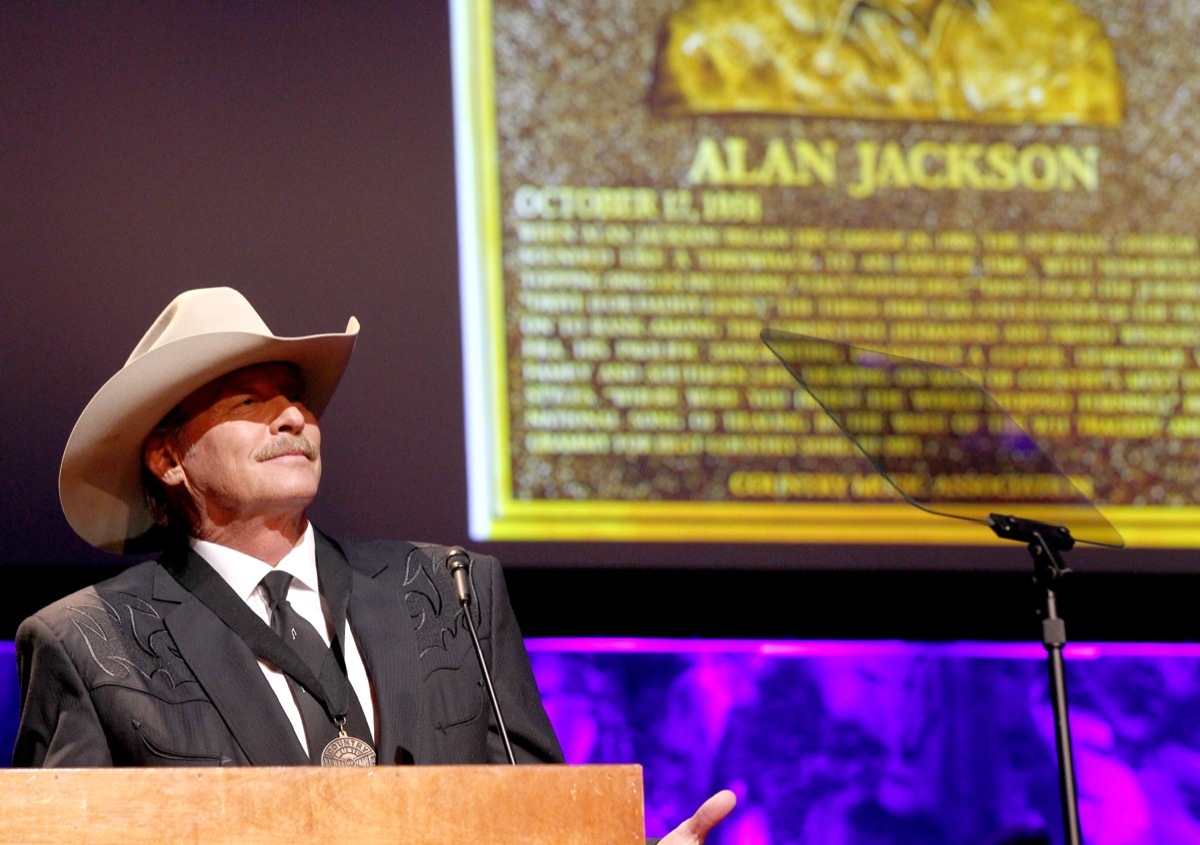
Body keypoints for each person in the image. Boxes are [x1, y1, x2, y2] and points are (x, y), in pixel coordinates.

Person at [13, 286, 734, 843]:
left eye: (296, 396)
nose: (293, 416)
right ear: (169, 457)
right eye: (249, 400)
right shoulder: (89, 641)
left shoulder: (451, 591)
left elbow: (534, 820)